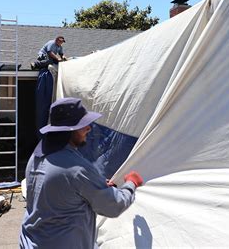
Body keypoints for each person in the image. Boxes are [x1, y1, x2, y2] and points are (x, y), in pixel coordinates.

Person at [19, 97, 143, 249]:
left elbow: (60, 190)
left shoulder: (38, 155)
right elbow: (113, 206)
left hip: (32, 241)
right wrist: (131, 183)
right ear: (69, 131)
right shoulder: (77, 168)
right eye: (83, 125)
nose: (89, 128)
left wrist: (94, 186)